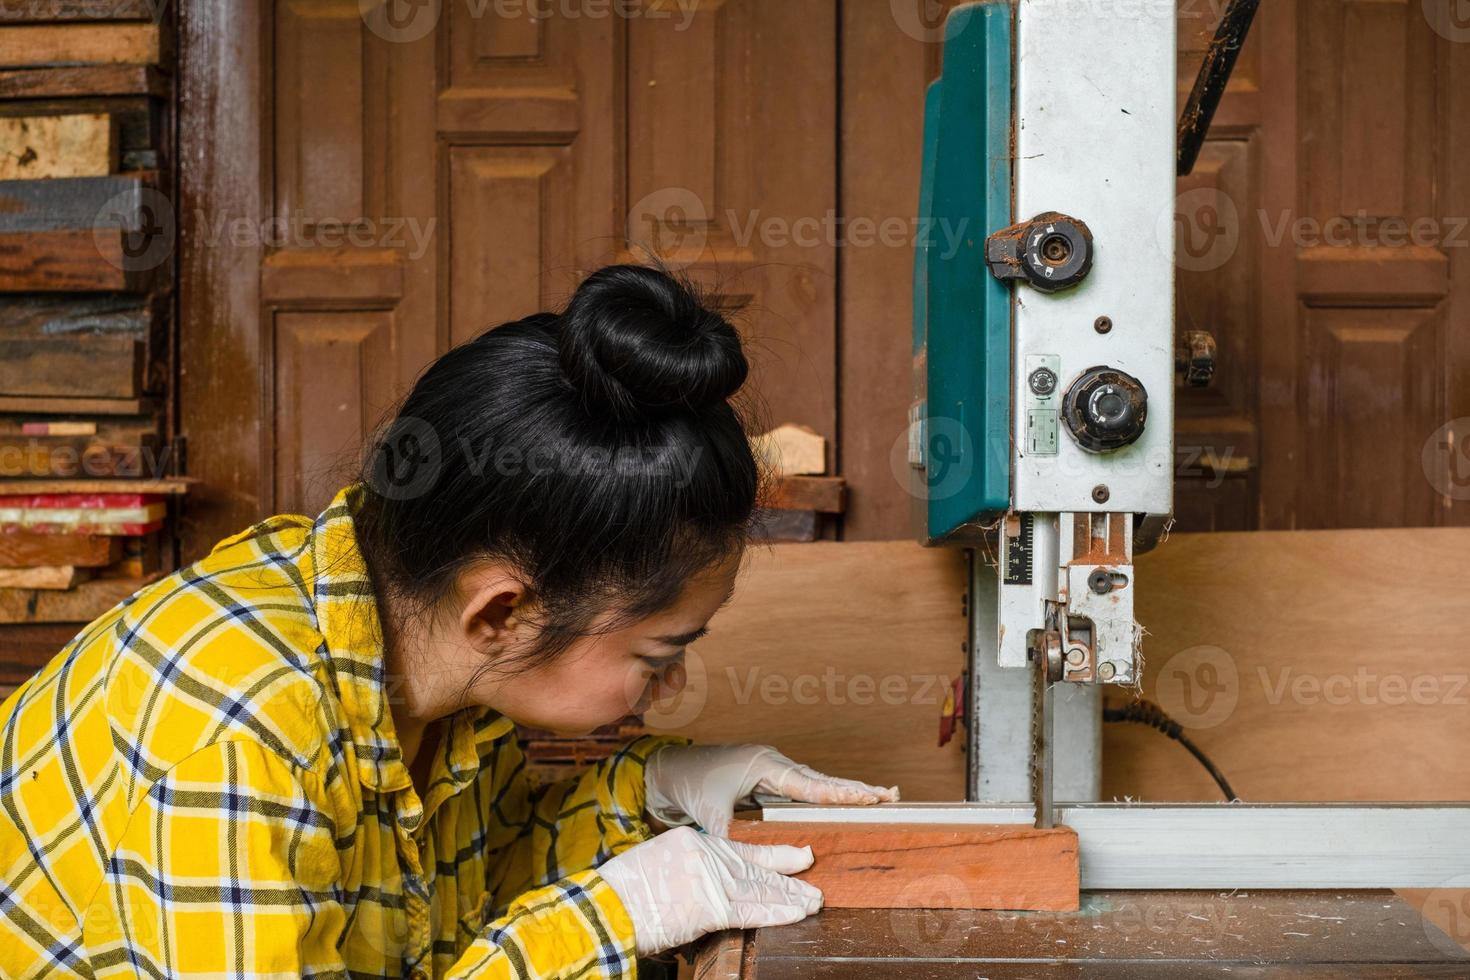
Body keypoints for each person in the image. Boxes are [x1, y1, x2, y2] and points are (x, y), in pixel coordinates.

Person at [0, 265, 899, 979]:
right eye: (659, 651)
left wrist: (649, 793)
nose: (668, 688)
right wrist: (610, 917)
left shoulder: (437, 660)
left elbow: (470, 899)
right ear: (504, 609)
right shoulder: (236, 725)